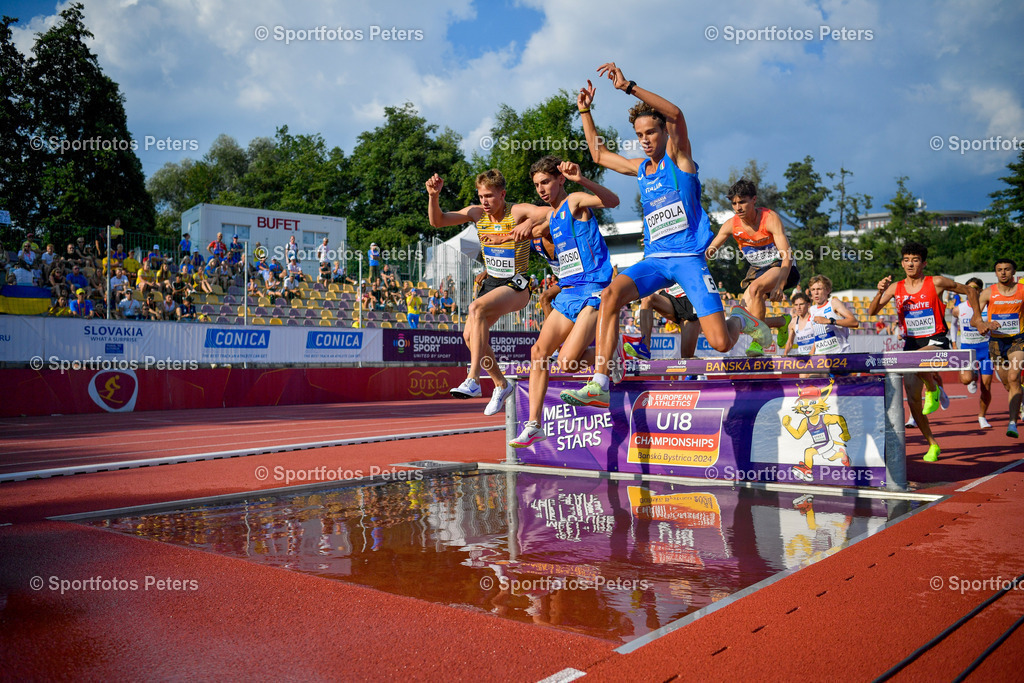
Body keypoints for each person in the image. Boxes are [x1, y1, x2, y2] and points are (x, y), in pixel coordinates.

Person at [561, 63, 772, 408]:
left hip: (689, 259)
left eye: (651, 133)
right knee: (611, 294)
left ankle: (741, 319)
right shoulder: (640, 169)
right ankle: (599, 381)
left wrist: (628, 86)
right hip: (656, 260)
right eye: (640, 134)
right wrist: (585, 110)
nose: (645, 140)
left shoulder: (680, 158)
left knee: (719, 342)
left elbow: (675, 113)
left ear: (664, 133)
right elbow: (598, 154)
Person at [505, 157, 619, 447]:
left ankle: (613, 360)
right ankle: (533, 425)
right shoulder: (552, 217)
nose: (541, 189)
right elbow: (536, 220)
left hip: (594, 290)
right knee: (538, 352)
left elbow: (613, 200)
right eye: (537, 185)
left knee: (567, 362)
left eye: (546, 182)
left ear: (560, 180)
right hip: (568, 293)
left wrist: (581, 179)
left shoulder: (576, 201)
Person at [426, 168, 538, 415]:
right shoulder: (477, 214)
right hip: (492, 283)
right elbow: (438, 221)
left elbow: (553, 213)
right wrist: (433, 196)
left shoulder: (517, 212)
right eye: (481, 196)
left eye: (489, 196)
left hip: (516, 283)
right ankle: (500, 384)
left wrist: (530, 222)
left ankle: (473, 379)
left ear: (502, 194)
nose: (484, 202)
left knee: (475, 308)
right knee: (470, 337)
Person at [868, 242, 970, 461]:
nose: (910, 264)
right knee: (913, 400)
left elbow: (970, 290)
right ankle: (932, 444)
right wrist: (879, 291)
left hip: (936, 339)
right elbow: (872, 311)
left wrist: (979, 318)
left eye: (915, 260)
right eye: (906, 260)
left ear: (923, 263)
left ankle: (932, 388)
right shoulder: (896, 287)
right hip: (911, 343)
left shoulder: (937, 282)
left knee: (917, 359)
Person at [705, 178, 800, 326]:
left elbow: (787, 255)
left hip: (783, 268)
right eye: (734, 203)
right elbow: (710, 251)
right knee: (741, 316)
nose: (738, 208)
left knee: (755, 288)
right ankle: (781, 322)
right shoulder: (731, 225)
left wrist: (780, 285)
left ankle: (758, 343)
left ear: (754, 199)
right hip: (759, 271)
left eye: (742, 202)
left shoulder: (770, 219)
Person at [969, 259, 1023, 439]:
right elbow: (973, 320)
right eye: (999, 270)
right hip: (996, 343)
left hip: (1018, 339)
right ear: (996, 273)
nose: (1003, 273)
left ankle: (1012, 423)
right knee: (1008, 384)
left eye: (1007, 269)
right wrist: (984, 324)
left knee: (1015, 377)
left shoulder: (1022, 291)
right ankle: (1020, 400)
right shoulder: (987, 293)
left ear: (1014, 271)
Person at [954, 278, 996, 429]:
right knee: (966, 380)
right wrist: (954, 343)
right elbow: (953, 324)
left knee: (986, 386)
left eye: (976, 288)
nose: (972, 290)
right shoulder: (959, 308)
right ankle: (973, 376)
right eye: (969, 287)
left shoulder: (988, 307)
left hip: (985, 348)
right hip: (967, 348)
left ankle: (982, 416)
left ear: (980, 290)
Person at [806, 274, 859, 354]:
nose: (816, 292)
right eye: (813, 289)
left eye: (819, 289)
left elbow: (854, 322)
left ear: (828, 290)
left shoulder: (833, 303)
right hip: (821, 356)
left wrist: (830, 321)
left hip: (840, 354)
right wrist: (812, 351)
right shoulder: (812, 309)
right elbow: (818, 335)